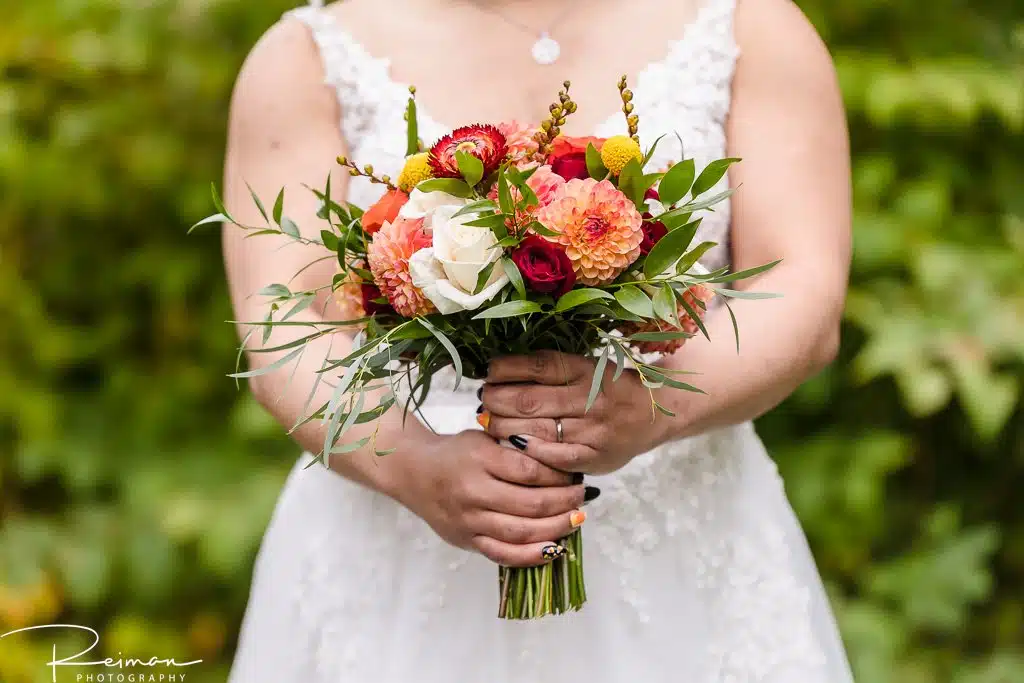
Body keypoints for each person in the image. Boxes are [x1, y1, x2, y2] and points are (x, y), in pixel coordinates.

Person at [222, 0, 854, 680]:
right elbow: (283, 332)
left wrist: (657, 406)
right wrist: (412, 464)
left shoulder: (750, 25)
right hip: (396, 550)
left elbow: (803, 293)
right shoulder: (306, 56)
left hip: (685, 557)